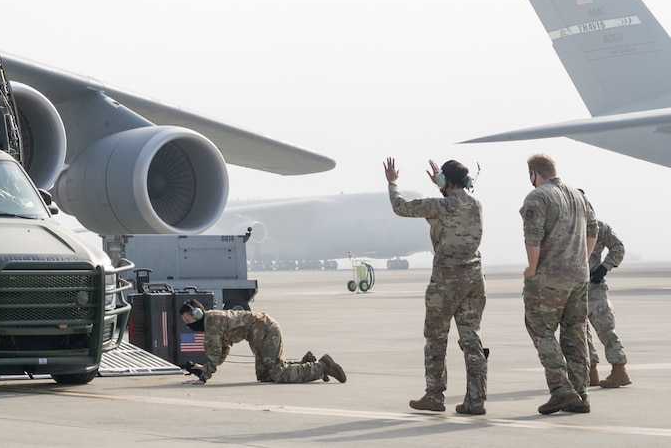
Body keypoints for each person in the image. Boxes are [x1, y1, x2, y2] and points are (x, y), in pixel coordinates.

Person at [386, 156, 487, 415]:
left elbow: (401, 207)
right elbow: (452, 209)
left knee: (435, 337)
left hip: (447, 277)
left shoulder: (441, 206)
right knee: (471, 337)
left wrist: (392, 182)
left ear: (446, 180)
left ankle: (434, 395)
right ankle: (476, 400)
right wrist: (441, 185)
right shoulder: (476, 204)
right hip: (474, 276)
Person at [520, 152, 592, 415]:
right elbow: (592, 231)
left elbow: (533, 236)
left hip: (549, 277)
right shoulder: (578, 195)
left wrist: (532, 268)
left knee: (540, 329)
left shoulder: (538, 196)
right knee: (575, 333)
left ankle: (561, 390)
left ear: (534, 174)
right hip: (579, 275)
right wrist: (580, 260)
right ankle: (580, 394)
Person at [180, 303, 345, 385]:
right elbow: (223, 349)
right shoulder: (212, 320)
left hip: (266, 331)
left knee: (278, 374)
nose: (188, 324)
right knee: (265, 376)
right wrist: (205, 368)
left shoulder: (212, 322)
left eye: (188, 320)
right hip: (261, 335)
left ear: (197, 313)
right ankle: (305, 363)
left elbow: (213, 351)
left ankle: (322, 367)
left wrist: (204, 377)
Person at [585, 212, 630, 388]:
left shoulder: (599, 227)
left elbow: (618, 247)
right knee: (579, 332)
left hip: (594, 287)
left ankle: (619, 369)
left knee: (605, 328)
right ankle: (589, 372)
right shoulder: (565, 228)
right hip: (573, 287)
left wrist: (604, 268)